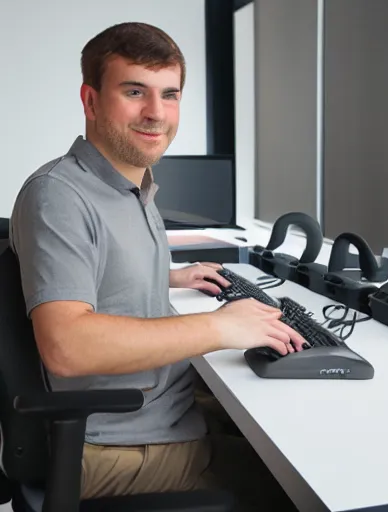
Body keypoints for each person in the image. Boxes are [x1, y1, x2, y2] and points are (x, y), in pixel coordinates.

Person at [9, 22, 305, 511]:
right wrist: (218, 326)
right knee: (295, 485)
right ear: (91, 100)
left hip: (161, 408)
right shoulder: (60, 195)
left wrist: (166, 277)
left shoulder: (133, 185)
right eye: (134, 92)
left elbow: (95, 269)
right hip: (114, 443)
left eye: (170, 95)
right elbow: (67, 346)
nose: (156, 113)